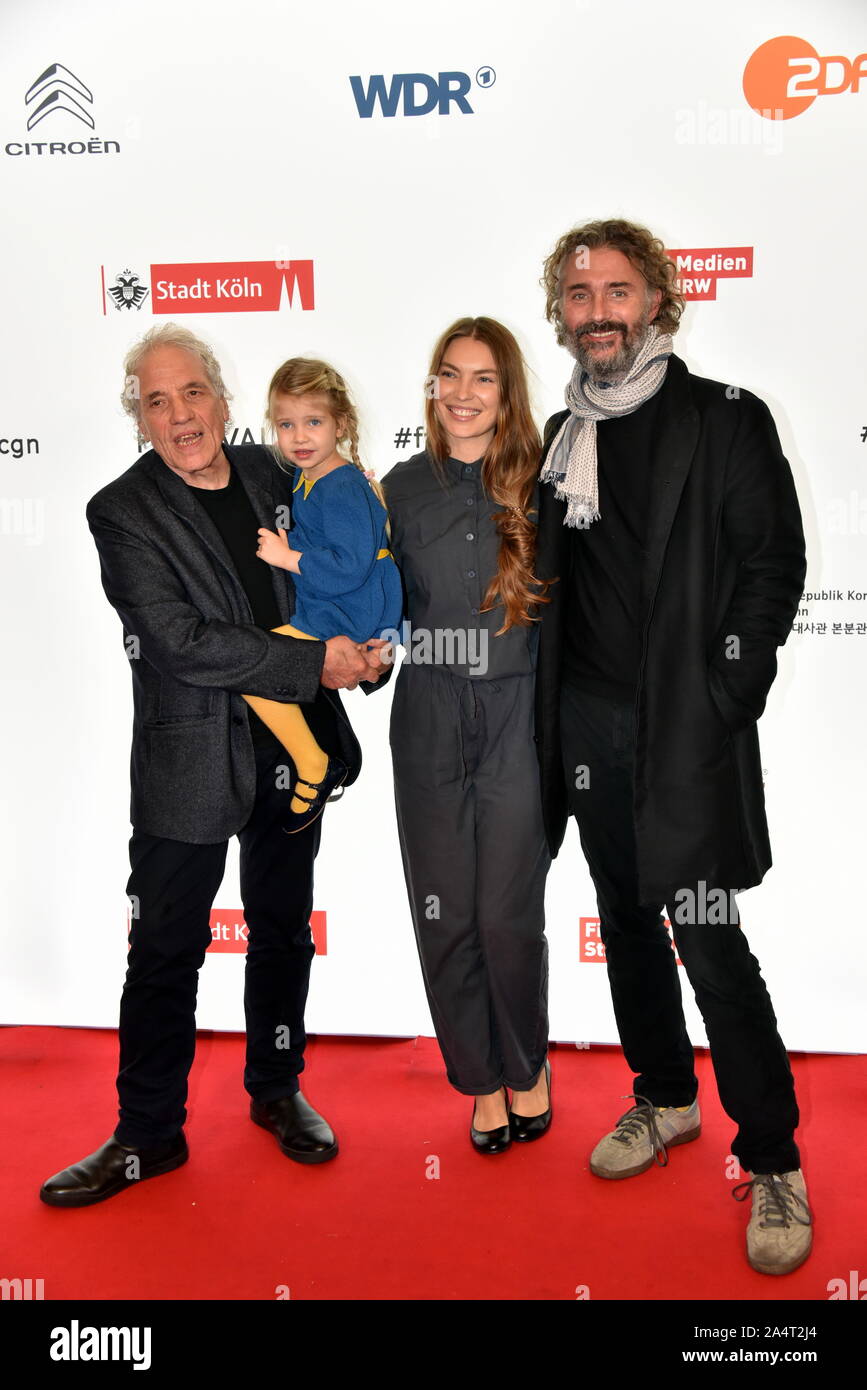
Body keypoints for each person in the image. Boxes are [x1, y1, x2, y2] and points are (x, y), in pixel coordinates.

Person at [40, 324, 383, 1207]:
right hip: (187, 760)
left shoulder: (281, 473)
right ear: (141, 420)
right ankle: (147, 1135)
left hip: (290, 753)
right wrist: (316, 664)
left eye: (192, 393)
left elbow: (334, 574)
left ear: (224, 402)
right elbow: (182, 644)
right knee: (164, 950)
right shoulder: (121, 511)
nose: (180, 414)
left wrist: (368, 631)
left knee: (279, 927)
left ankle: (276, 1087)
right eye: (157, 401)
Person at [534, 218, 811, 1274]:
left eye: (614, 290)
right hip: (590, 727)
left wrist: (724, 689)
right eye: (576, 293)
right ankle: (664, 1097)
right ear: (562, 310)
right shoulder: (567, 432)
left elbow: (770, 564)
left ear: (655, 298)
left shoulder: (723, 419)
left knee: (706, 935)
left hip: (686, 725)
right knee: (624, 923)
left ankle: (774, 1154)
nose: (595, 310)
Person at [376, 317, 553, 1154]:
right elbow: (378, 604)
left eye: (482, 378)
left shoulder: (548, 481)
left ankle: (527, 1066)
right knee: (443, 914)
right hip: (429, 712)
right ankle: (480, 1081)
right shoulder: (400, 488)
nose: (461, 393)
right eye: (449, 374)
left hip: (519, 710)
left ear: (507, 391)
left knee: (506, 914)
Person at [243, 357, 402, 831]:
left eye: (314, 422)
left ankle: (315, 764)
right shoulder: (305, 476)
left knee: (258, 672)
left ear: (341, 424)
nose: (300, 436)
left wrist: (286, 557)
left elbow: (350, 567)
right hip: (330, 603)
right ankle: (322, 754)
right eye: (286, 424)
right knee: (266, 668)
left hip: (347, 609)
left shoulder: (343, 485)